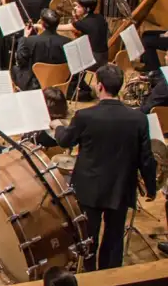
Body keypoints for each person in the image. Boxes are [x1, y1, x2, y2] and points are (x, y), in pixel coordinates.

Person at [54, 64, 156, 271]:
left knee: (89, 237)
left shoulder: (85, 116)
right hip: (120, 187)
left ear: (99, 86)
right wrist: (151, 188)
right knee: (115, 236)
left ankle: (90, 276)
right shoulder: (138, 118)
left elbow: (66, 141)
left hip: (89, 187)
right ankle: (109, 278)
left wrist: (57, 127)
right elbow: (146, 158)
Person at [13, 9, 71, 90]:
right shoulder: (68, 41)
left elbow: (20, 61)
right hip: (60, 82)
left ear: (42, 23)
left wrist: (24, 37)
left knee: (15, 69)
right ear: (58, 24)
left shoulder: (29, 41)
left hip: (35, 85)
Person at [60, 0, 109, 67]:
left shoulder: (85, 23)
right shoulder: (99, 17)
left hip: (94, 59)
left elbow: (59, 27)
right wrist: (76, 18)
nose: (75, 8)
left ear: (87, 9)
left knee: (65, 53)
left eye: (78, 6)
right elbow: (86, 29)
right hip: (104, 57)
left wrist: (39, 25)